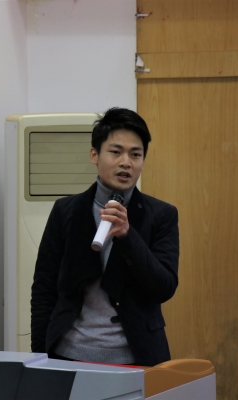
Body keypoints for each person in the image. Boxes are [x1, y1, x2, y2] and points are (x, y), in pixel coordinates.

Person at [31, 107, 179, 366]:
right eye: (116, 152)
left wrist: (128, 236)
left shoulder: (161, 215)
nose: (126, 162)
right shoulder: (66, 210)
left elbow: (164, 287)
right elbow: (44, 288)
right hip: (69, 353)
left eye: (135, 154)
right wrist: (39, 358)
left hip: (136, 356)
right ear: (94, 155)